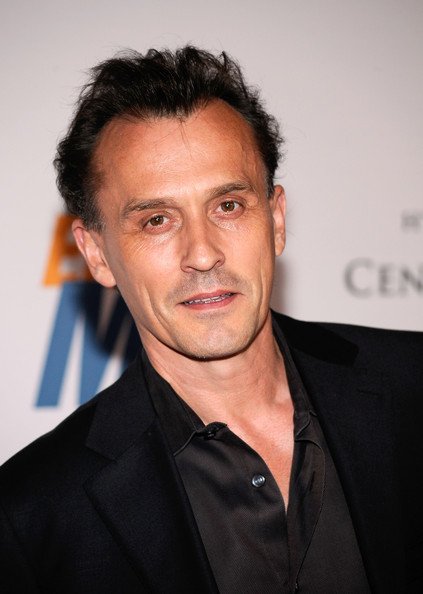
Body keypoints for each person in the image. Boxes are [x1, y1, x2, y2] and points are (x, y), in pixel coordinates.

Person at [0, 46, 422, 594]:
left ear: (276, 220)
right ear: (96, 253)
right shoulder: (33, 515)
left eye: (228, 206)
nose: (202, 254)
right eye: (156, 220)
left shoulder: (412, 385)